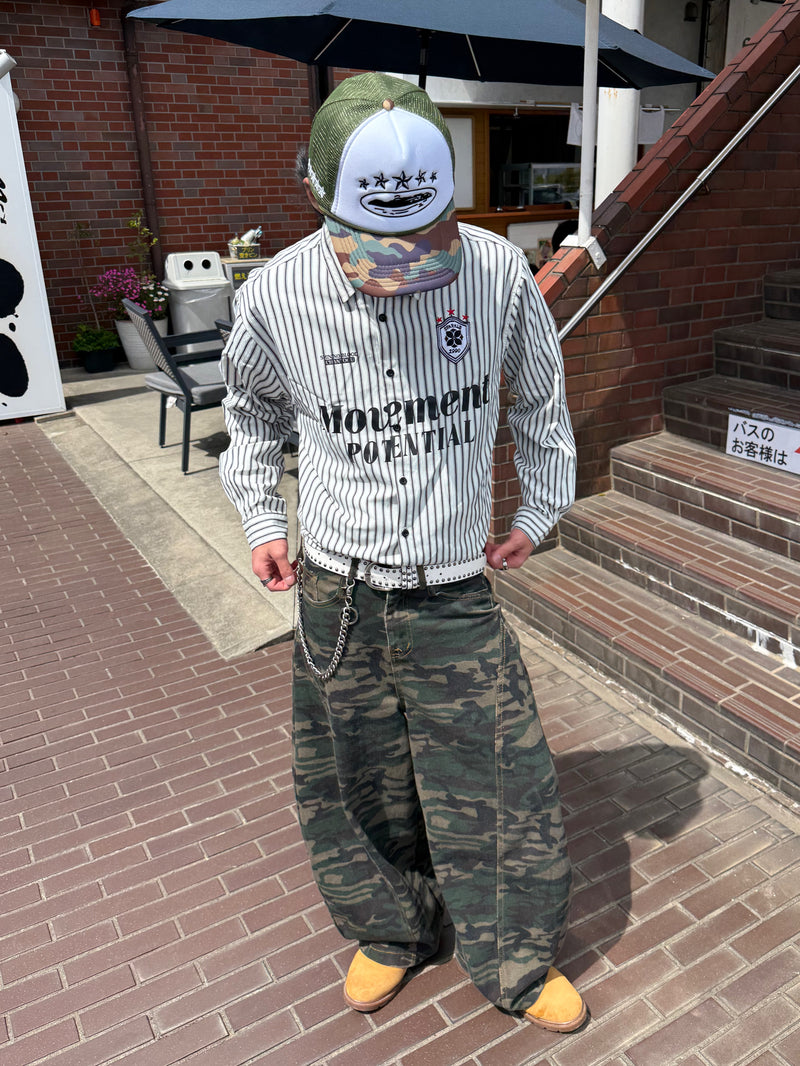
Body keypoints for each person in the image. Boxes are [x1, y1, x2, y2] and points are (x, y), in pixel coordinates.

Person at [219, 72, 586, 1034]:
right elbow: (250, 418)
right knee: (353, 777)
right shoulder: (277, 294)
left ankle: (515, 957)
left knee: (500, 775)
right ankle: (390, 929)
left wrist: (539, 509)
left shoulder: (496, 273)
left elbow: (541, 401)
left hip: (454, 589)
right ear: (318, 193)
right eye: (376, 242)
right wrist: (262, 521)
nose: (402, 262)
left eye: (423, 234)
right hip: (338, 590)